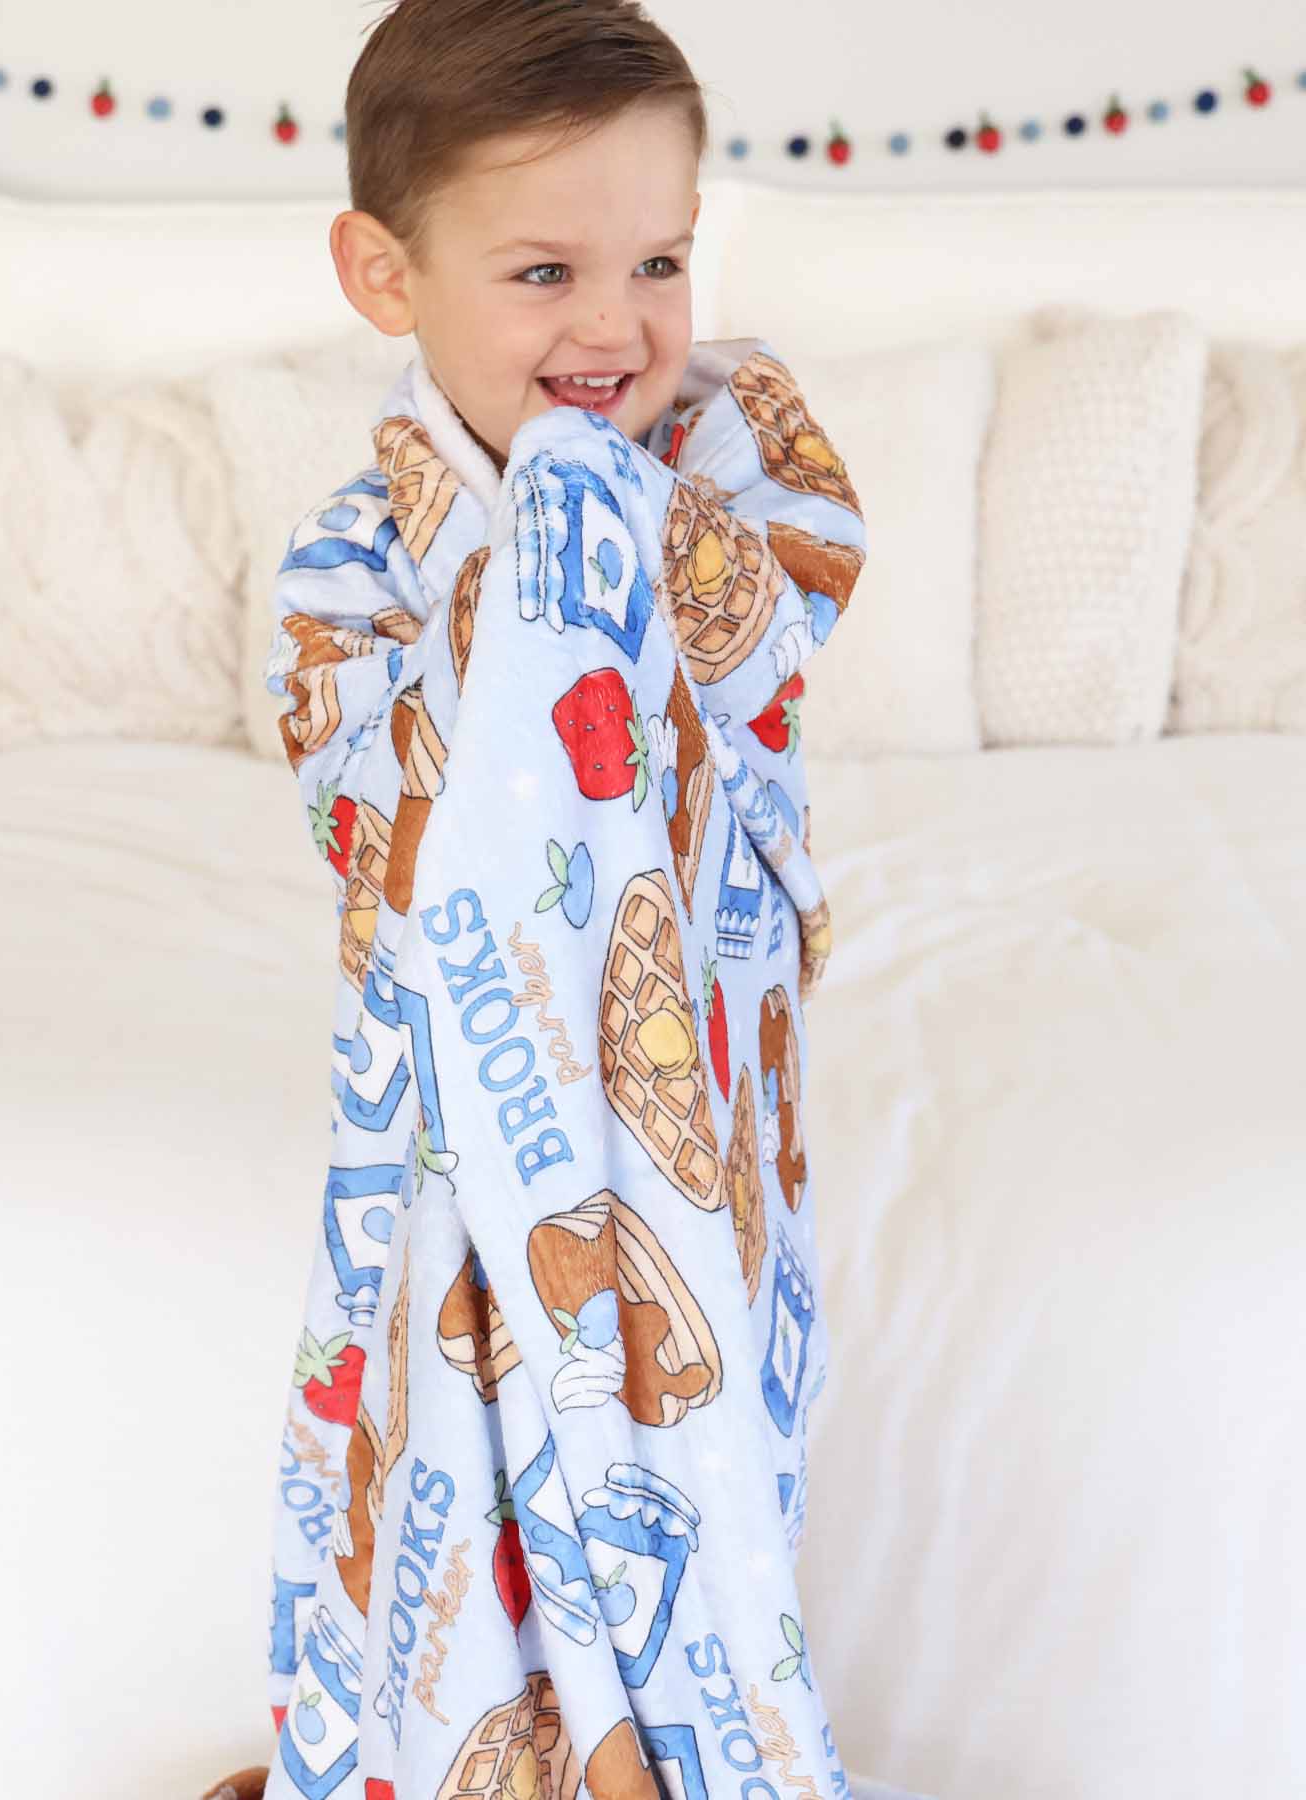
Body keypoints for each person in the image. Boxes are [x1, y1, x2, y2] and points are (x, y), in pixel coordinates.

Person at [203, 3, 927, 1795]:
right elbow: (378, 819)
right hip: (470, 1110)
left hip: (694, 1079)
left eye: (659, 261)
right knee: (478, 1455)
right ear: (384, 275)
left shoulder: (729, 472)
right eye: (546, 272)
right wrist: (531, 556)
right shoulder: (356, 561)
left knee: (693, 1430)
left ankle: (685, 1740)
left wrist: (590, 512)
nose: (618, 326)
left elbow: (762, 646)